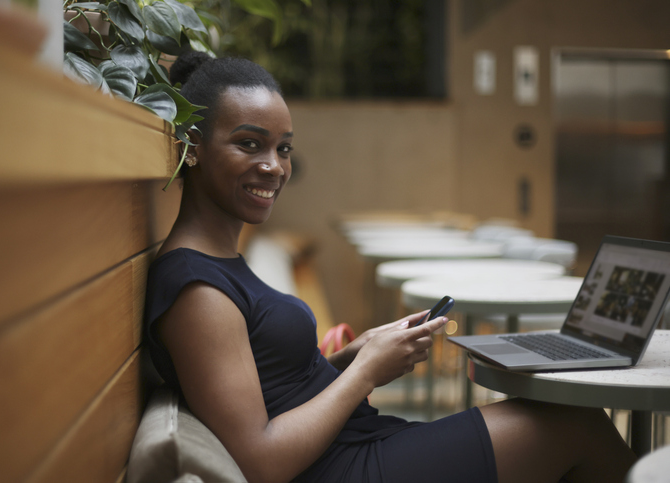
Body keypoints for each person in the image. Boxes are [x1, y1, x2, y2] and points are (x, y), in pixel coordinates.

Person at [144, 51, 637, 483]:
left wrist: (354, 357)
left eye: (284, 148)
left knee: (569, 424)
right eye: (249, 144)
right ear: (192, 146)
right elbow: (261, 462)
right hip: (338, 467)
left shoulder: (216, 262)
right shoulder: (197, 291)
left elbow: (268, 387)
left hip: (351, 446)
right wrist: (365, 373)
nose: (274, 166)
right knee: (578, 425)